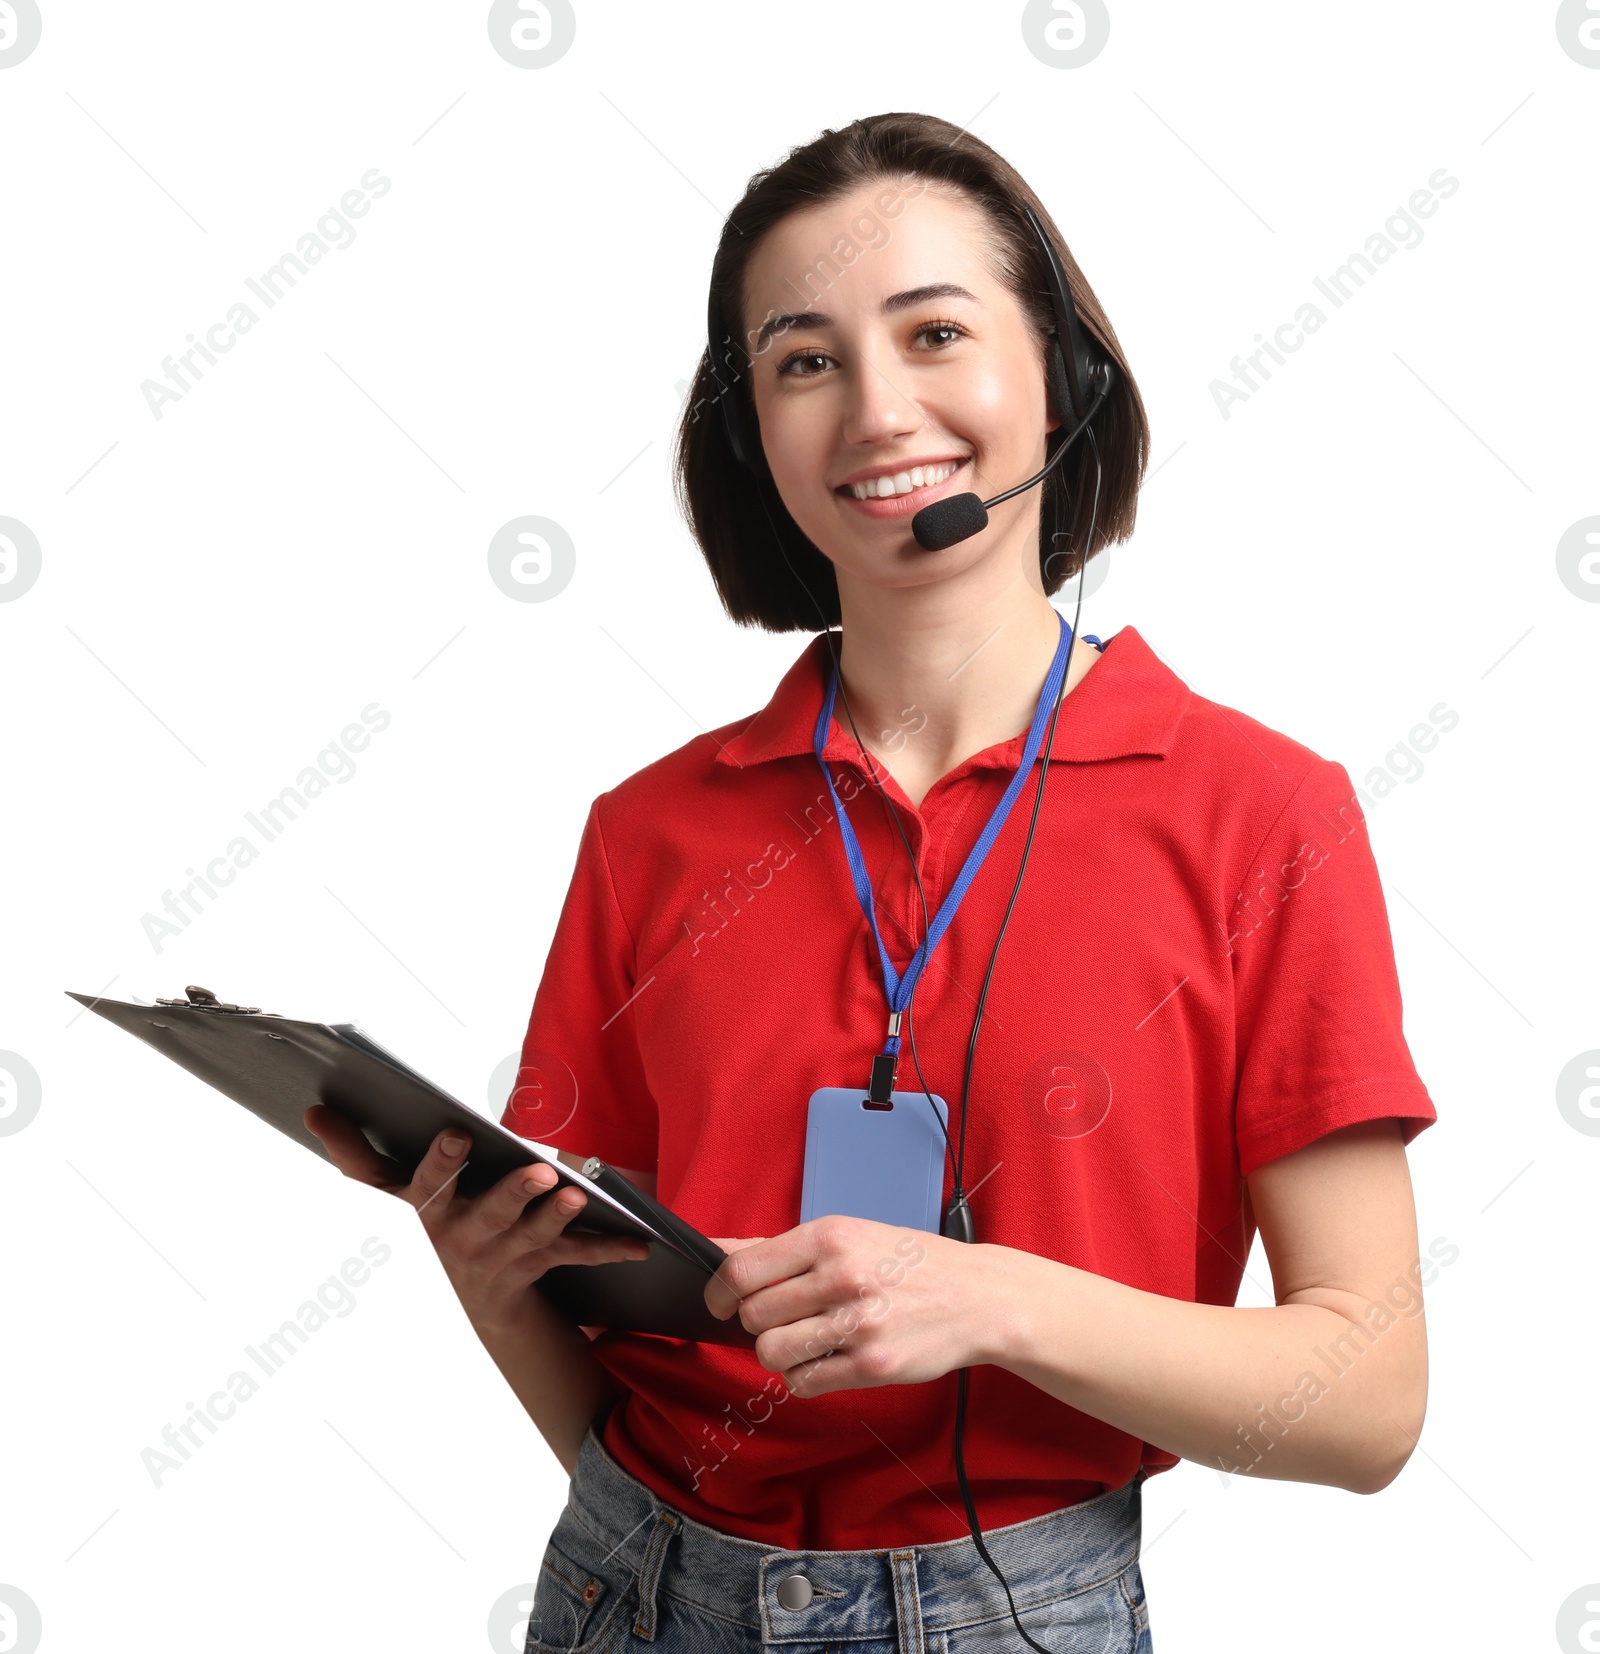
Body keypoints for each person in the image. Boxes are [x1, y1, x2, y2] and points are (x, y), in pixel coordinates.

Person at [306, 111, 1437, 1653]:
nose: (876, 408)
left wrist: (991, 1300)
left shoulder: (1262, 815)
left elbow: (1366, 1399)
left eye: (937, 331)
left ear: (1066, 378)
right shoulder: (649, 831)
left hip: (1015, 1608)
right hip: (631, 1582)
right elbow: (615, 1377)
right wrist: (493, 1278)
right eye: (803, 359)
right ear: (753, 433)